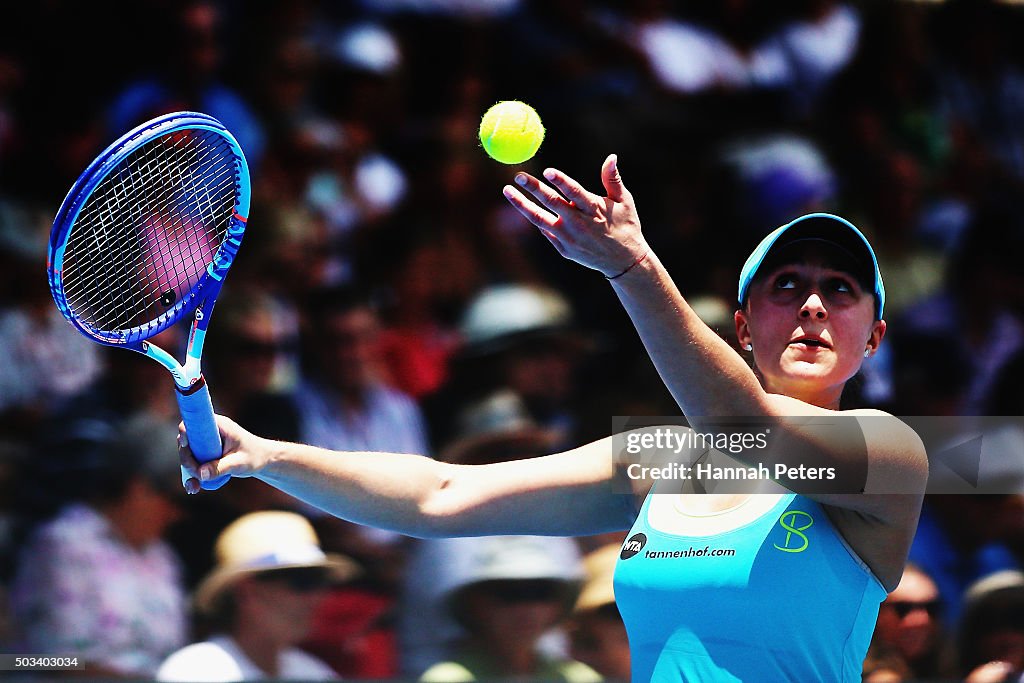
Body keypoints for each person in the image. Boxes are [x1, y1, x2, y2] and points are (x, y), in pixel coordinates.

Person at [180, 155, 928, 681]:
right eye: (786, 283)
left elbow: (751, 426)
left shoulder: (888, 453)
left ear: (874, 337)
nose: (811, 304)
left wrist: (633, 269)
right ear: (740, 325)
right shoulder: (660, 462)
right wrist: (267, 455)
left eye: (841, 289)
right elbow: (440, 496)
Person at [156, 511, 359, 682]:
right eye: (303, 581)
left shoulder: (315, 674)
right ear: (247, 591)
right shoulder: (194, 672)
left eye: (320, 581)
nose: (317, 598)